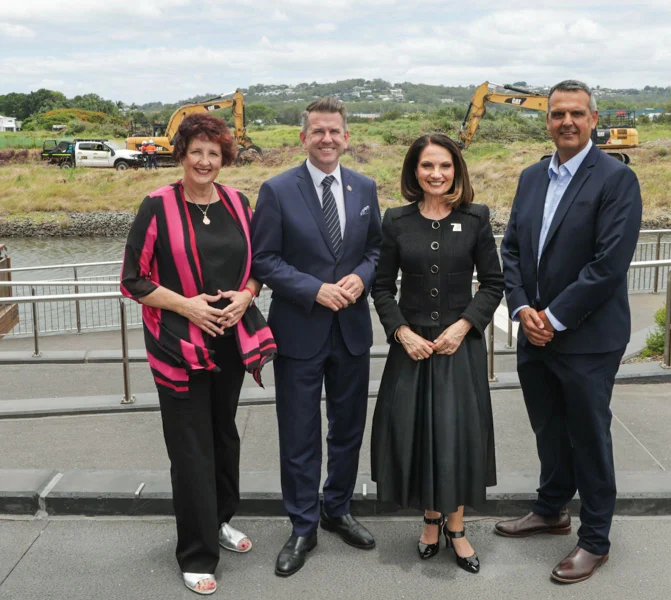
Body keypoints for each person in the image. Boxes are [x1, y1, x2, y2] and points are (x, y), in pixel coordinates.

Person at [120, 113, 276, 596]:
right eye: (196, 152)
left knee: (223, 436)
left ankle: (219, 520)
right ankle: (195, 551)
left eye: (214, 153)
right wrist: (187, 305)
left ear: (223, 157)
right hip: (177, 347)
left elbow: (257, 266)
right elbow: (133, 280)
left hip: (229, 340)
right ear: (182, 155)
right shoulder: (156, 206)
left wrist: (247, 296)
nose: (205, 161)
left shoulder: (237, 202)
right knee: (190, 448)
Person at [497, 80, 642, 584]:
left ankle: (596, 539)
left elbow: (608, 264)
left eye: (577, 114)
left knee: (588, 435)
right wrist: (521, 310)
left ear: (593, 119)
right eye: (558, 114)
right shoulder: (531, 177)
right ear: (547, 119)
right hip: (532, 330)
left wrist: (552, 319)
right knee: (548, 428)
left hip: (587, 336)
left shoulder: (616, 179)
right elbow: (511, 249)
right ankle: (552, 509)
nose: (567, 122)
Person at [250, 97, 382, 577]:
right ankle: (303, 524)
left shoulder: (364, 187)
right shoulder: (277, 190)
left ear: (347, 137)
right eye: (318, 131)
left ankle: (337, 507)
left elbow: (375, 250)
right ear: (302, 137)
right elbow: (263, 259)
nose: (327, 139)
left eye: (335, 131)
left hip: (351, 331)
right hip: (299, 331)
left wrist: (361, 277)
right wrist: (315, 289)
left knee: (347, 429)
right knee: (300, 433)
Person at [370, 134, 503, 574]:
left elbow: (493, 284)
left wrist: (464, 326)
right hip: (412, 348)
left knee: (456, 436)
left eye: (445, 166)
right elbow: (383, 287)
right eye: (427, 166)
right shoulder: (396, 221)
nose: (436, 174)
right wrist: (401, 332)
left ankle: (458, 528)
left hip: (457, 347)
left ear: (457, 170)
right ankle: (430, 521)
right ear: (414, 171)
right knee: (415, 434)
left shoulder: (476, 218)